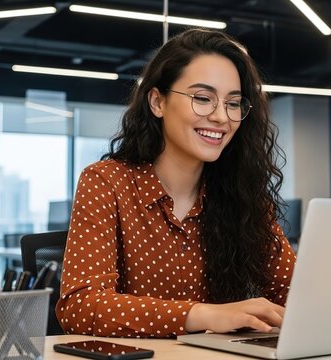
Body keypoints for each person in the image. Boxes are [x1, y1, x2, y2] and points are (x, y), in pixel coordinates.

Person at [56, 28, 296, 338]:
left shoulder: (243, 195)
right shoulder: (106, 182)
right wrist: (203, 314)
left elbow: (294, 292)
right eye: (202, 98)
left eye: (233, 103)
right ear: (157, 102)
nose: (222, 117)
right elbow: (81, 306)